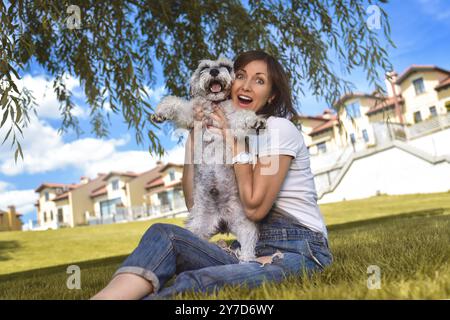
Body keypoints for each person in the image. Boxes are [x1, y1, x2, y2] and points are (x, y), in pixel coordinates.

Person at [92, 50, 332, 300]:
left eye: (259, 81)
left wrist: (232, 139)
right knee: (164, 234)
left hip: (297, 249)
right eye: (241, 76)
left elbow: (254, 209)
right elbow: (194, 204)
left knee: (203, 282)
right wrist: (193, 138)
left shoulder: (275, 128)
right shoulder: (224, 125)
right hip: (246, 248)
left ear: (271, 95)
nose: (247, 86)